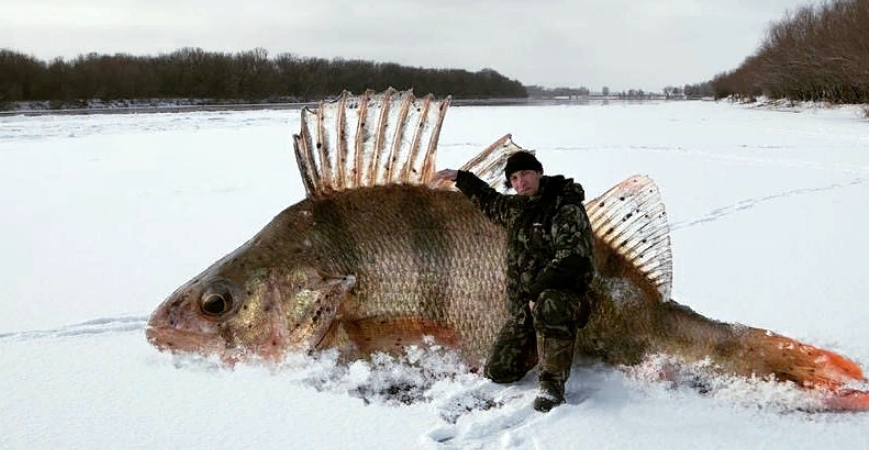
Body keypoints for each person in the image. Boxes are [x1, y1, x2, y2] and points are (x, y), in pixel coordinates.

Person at [433, 151, 595, 412]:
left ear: (539, 173)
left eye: (526, 174)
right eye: (514, 178)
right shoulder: (516, 209)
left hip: (564, 298)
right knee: (499, 371)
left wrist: (535, 292)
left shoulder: (564, 206)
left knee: (549, 304)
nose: (521, 182)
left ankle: (551, 385)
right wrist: (461, 178)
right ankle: (545, 344)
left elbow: (572, 260)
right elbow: (489, 201)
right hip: (525, 308)